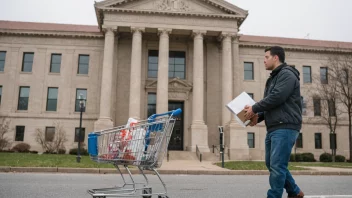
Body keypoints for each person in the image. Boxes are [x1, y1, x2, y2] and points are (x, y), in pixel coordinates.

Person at [244, 46, 304, 198]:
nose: (263, 60)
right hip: (274, 127)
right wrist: (259, 116)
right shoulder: (273, 79)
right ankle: (295, 191)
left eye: (266, 57)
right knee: (272, 164)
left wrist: (254, 108)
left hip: (285, 126)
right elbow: (273, 105)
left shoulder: (287, 75)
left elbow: (277, 97)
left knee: (277, 166)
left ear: (275, 58)